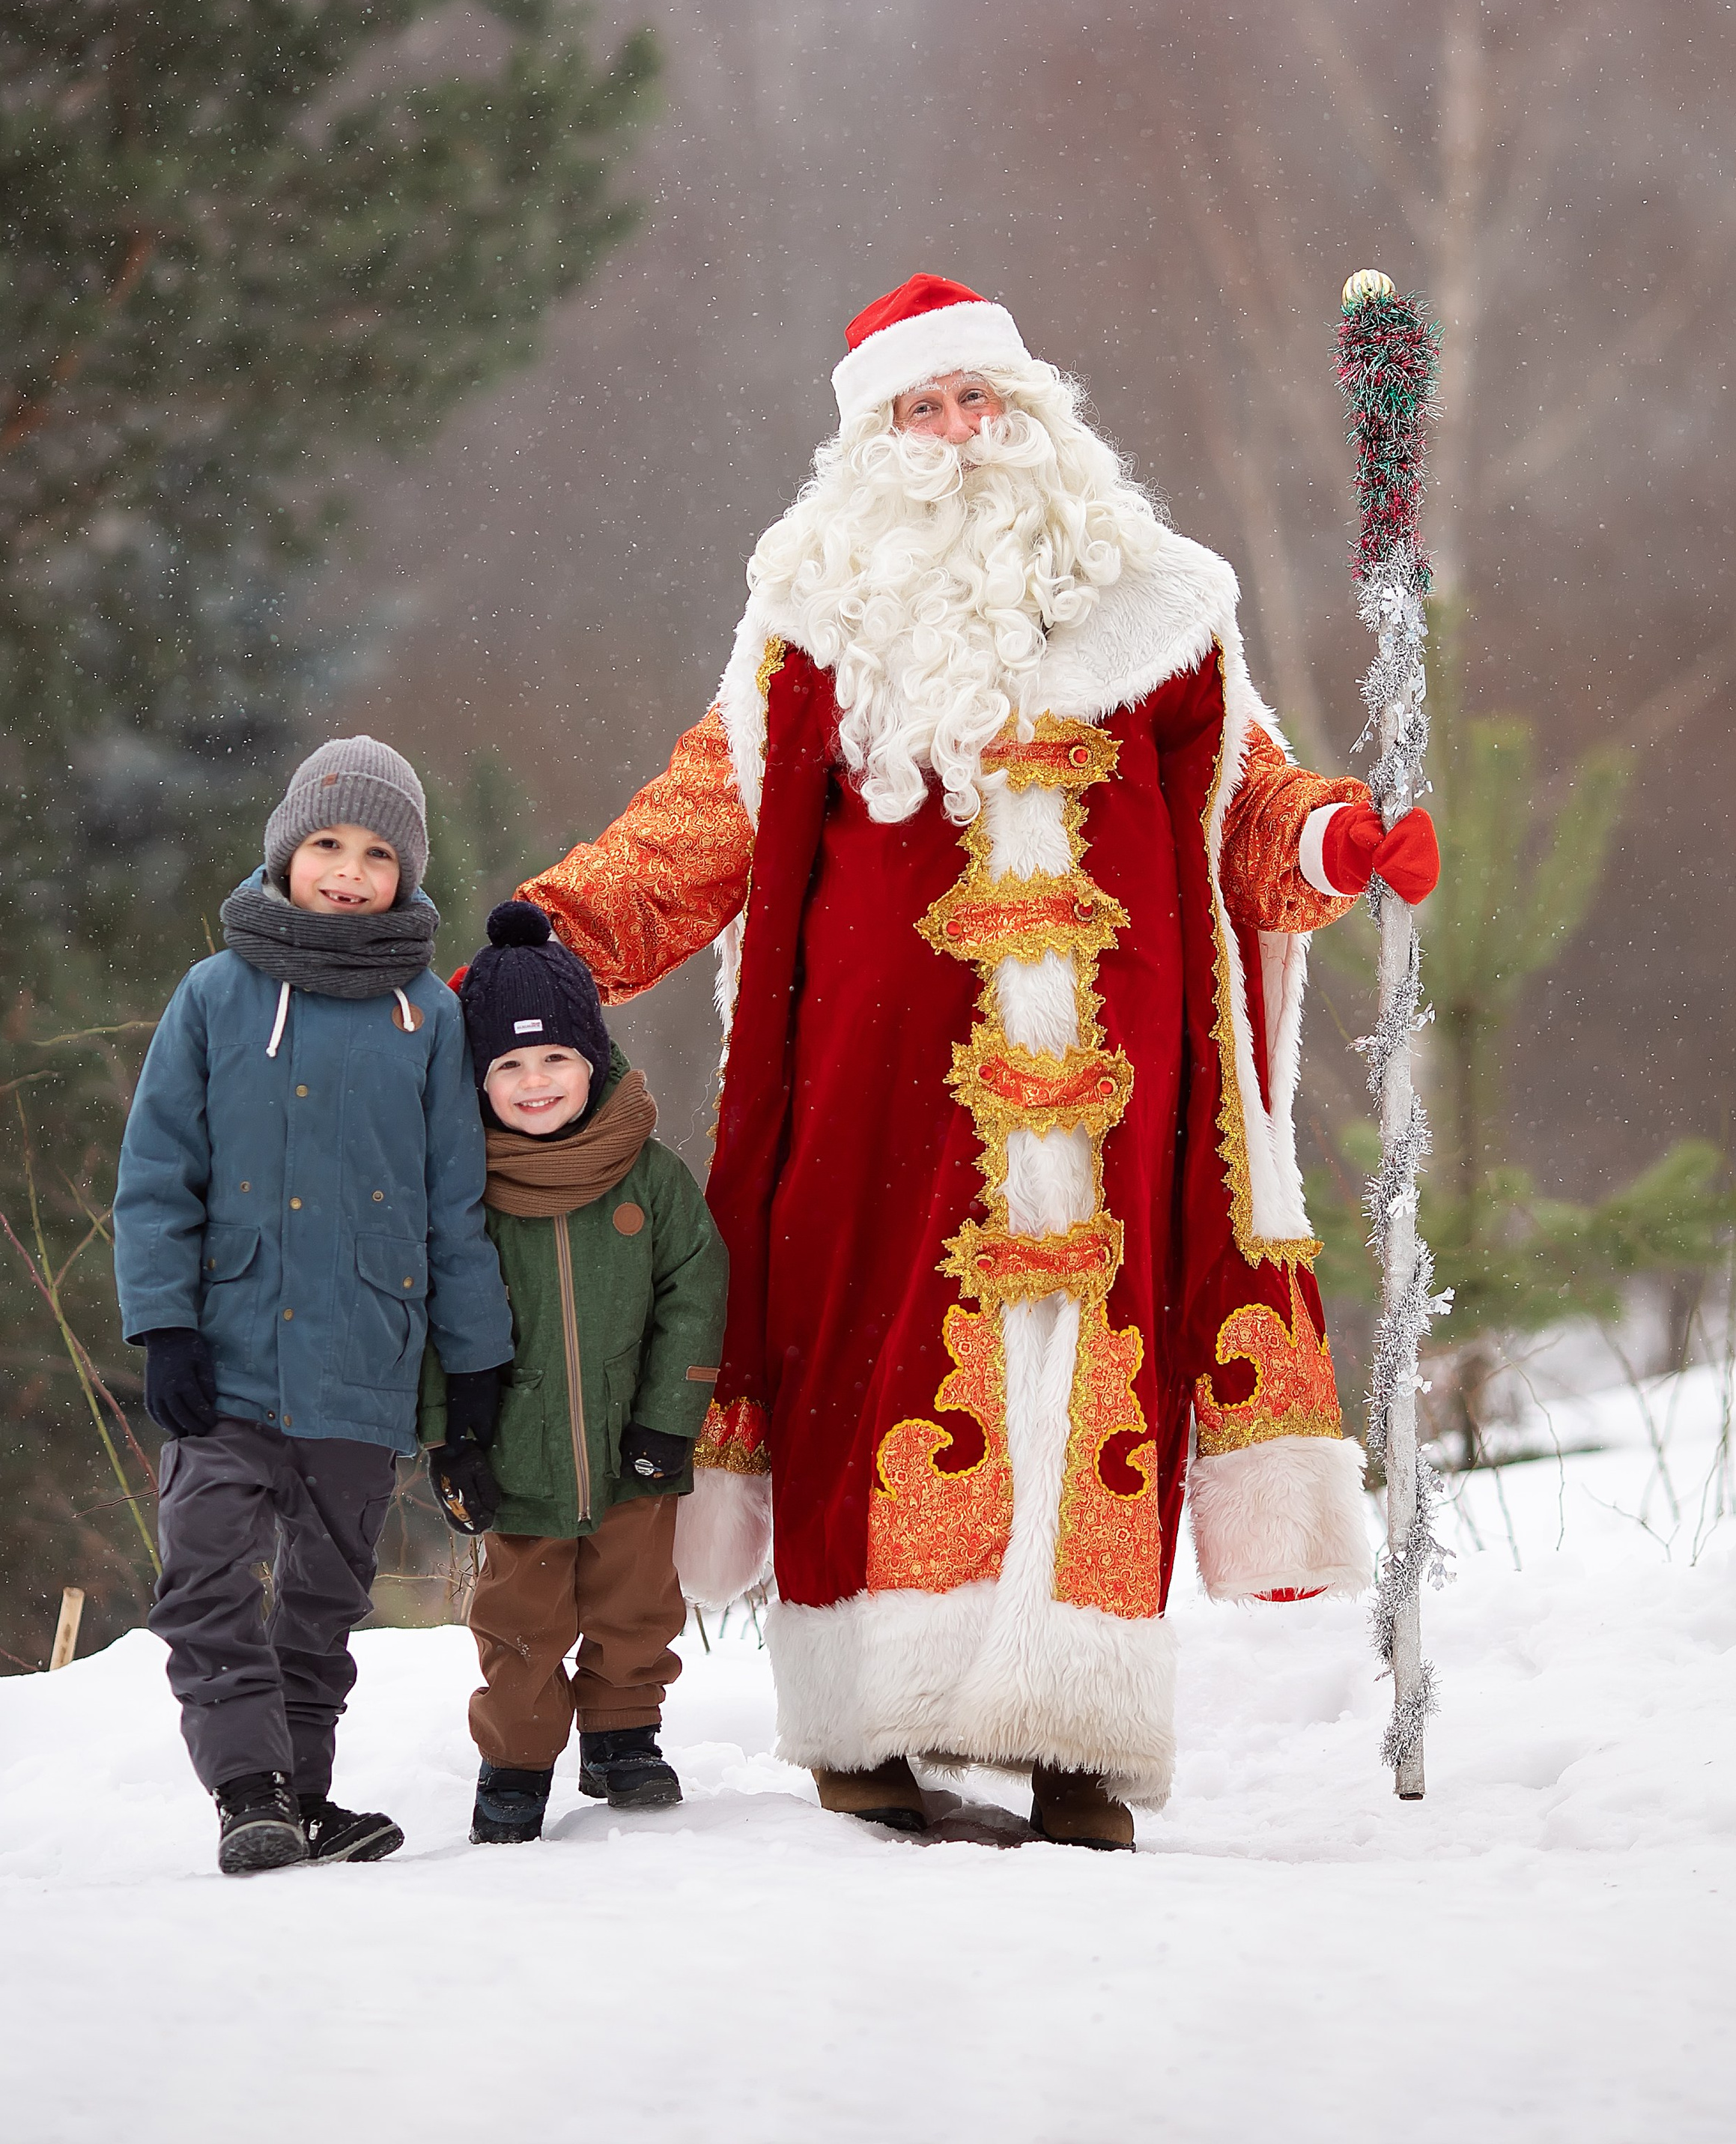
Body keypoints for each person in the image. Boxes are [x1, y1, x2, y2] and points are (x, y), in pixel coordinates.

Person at [516, 274, 1441, 1850]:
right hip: (878, 1095)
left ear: (1033, 418)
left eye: (980, 402)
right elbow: (703, 817)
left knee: (1096, 1373)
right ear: (872, 441)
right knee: (877, 1362)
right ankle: (873, 1723)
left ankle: (1077, 1739)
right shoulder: (810, 619)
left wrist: (1339, 839)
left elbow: (1245, 807)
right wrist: (545, 936)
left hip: (1112, 1086)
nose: (958, 434)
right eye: (922, 410)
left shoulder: (1158, 606)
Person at [114, 737, 511, 1876]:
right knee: (203, 1574)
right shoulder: (216, 995)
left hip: (363, 1363)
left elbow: (454, 1208)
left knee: (323, 1600)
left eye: (379, 852)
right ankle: (248, 1790)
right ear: (287, 851)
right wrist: (165, 1324)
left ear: (409, 873)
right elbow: (156, 1175)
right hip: (226, 1355)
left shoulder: (428, 1017)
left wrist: (472, 1381)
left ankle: (299, 1792)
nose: (349, 870)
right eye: (328, 844)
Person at [421, 900, 727, 1846]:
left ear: (593, 1060)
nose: (535, 1082)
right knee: (519, 1616)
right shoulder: (463, 1192)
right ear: (479, 1082)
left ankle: (623, 1735)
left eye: (555, 1058)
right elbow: (433, 1322)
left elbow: (694, 1288)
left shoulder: (647, 1176)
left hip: (634, 1440)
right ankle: (515, 1760)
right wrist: (451, 1439)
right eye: (508, 1066)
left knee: (637, 1602)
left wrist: (668, 1420)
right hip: (519, 1455)